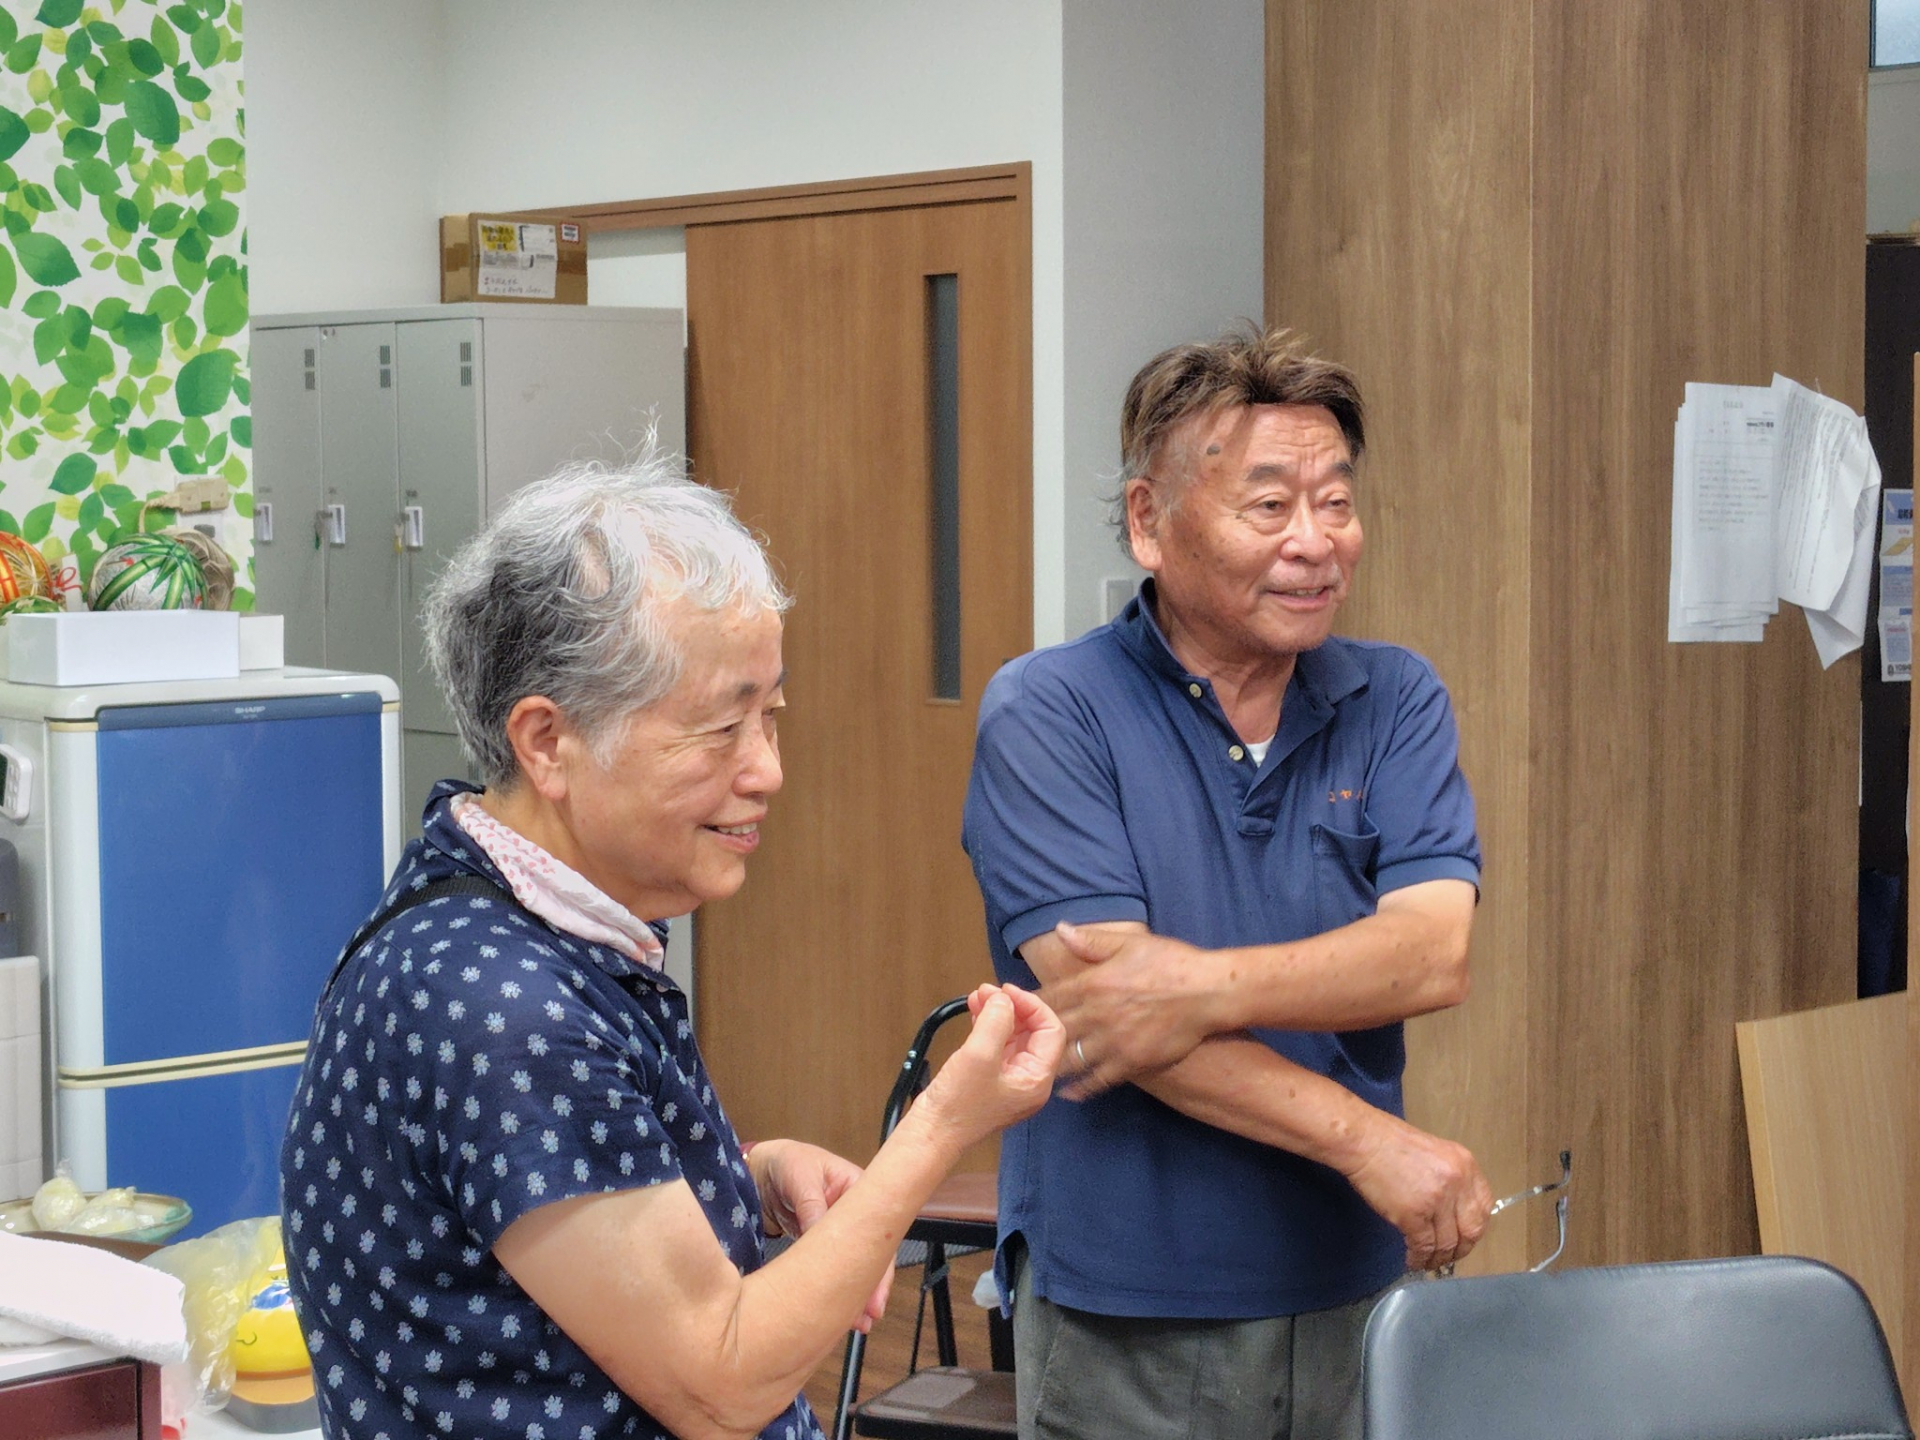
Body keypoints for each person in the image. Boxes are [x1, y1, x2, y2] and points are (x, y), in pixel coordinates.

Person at [282, 455, 1065, 1440]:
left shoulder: (499, 910)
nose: (767, 770)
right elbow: (719, 1383)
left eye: (771, 716)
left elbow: (533, 1211)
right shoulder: (500, 1007)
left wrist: (747, 1178)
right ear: (547, 741)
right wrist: (946, 1121)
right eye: (722, 727)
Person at [962, 326, 1494, 1440]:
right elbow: (1112, 1009)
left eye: (1336, 502)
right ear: (1149, 523)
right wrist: (1371, 1142)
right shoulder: (1050, 711)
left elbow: (1431, 954)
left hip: (1353, 1286)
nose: (1316, 542)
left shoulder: (1394, 697)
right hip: (1133, 1307)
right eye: (1269, 506)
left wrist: (1194, 986)